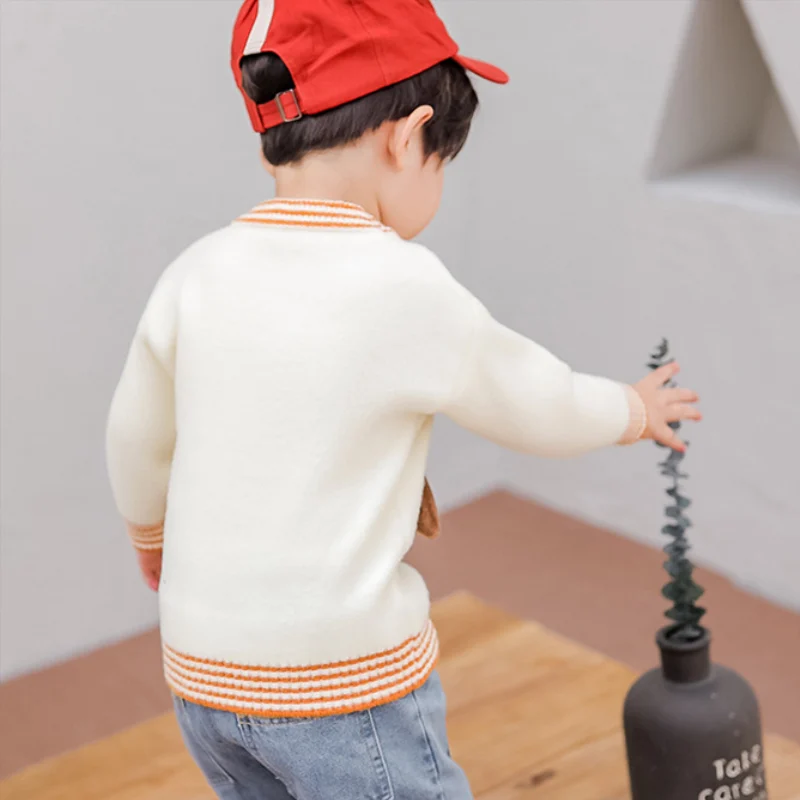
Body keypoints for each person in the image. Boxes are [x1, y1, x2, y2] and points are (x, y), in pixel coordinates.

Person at [105, 0, 701, 797]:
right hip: (339, 684)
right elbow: (533, 399)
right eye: (441, 162)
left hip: (201, 675)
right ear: (408, 136)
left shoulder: (196, 273)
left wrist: (151, 535)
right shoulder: (400, 285)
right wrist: (631, 410)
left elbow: (135, 433)